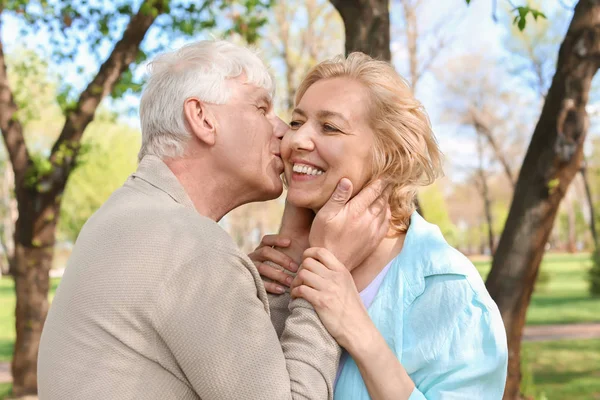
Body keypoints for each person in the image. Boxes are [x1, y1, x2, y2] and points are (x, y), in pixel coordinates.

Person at [37, 40, 391, 400]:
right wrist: (325, 274)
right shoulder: (188, 247)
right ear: (203, 119)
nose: (285, 131)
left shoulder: (128, 218)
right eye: (262, 108)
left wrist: (273, 282)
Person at [255, 52, 509, 399]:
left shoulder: (450, 293)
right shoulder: (274, 267)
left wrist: (356, 327)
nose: (296, 140)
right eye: (297, 122)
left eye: (329, 127)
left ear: (389, 154)